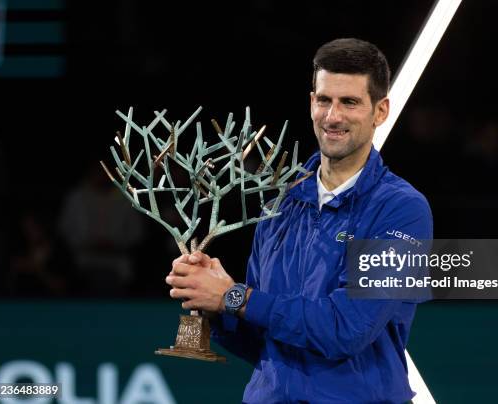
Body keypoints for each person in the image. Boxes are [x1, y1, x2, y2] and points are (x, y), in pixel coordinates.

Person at [166, 38, 433, 403]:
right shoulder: (280, 201)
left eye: (349, 102)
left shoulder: (402, 211)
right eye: (324, 100)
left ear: (380, 111)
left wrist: (234, 296)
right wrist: (212, 304)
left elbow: (345, 329)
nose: (333, 116)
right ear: (311, 103)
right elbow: (265, 341)